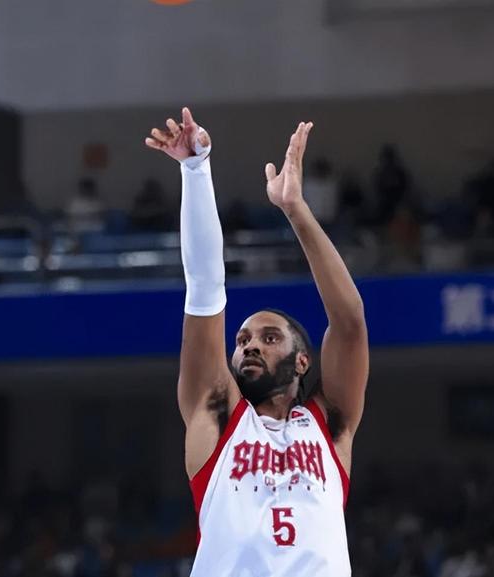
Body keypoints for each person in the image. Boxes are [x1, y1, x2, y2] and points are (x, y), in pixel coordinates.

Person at [146, 108, 369, 577]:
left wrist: (296, 210)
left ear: (303, 361)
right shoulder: (217, 413)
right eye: (243, 339)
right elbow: (205, 289)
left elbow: (349, 322)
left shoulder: (330, 425)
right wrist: (196, 170)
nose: (249, 346)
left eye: (269, 338)